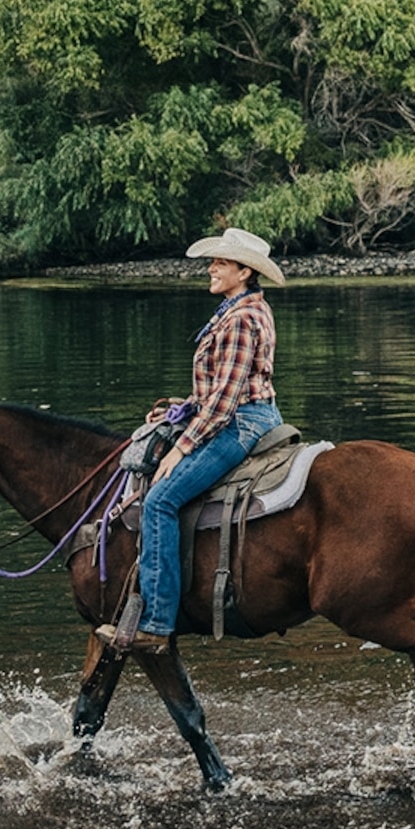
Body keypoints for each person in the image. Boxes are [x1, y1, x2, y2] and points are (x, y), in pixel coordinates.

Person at [104, 228, 288, 654]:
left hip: (240, 424)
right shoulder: (238, 308)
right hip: (240, 414)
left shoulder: (241, 319)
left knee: (160, 501)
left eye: (221, 263)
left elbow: (224, 405)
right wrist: (182, 408)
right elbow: (221, 389)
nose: (211, 268)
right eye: (214, 261)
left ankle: (156, 623)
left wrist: (182, 447)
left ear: (244, 271)